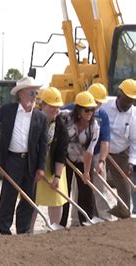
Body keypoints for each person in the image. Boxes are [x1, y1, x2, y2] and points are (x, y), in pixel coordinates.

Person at [0, 76, 47, 235]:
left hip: (31, 161)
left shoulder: (40, 117)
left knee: (29, 197)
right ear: (21, 94)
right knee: (8, 196)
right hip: (11, 160)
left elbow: (43, 143)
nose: (34, 96)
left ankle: (23, 229)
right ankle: (4, 229)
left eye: (35, 93)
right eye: (31, 93)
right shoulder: (8, 110)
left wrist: (41, 167)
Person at [64, 83, 111, 224]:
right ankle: (75, 220)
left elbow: (104, 142)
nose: (94, 109)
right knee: (73, 189)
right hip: (68, 156)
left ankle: (102, 218)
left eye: (96, 106)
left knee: (92, 187)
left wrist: (101, 161)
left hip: (91, 155)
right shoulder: (68, 113)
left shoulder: (100, 118)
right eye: (90, 106)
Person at [31, 87, 69, 231]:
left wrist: (57, 176)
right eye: (52, 106)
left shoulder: (61, 126)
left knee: (55, 199)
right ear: (43, 105)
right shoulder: (33, 121)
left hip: (53, 167)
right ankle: (28, 231)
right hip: (35, 166)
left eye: (57, 107)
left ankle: (54, 230)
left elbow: (61, 153)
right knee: (33, 198)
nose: (55, 110)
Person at [59, 91, 100, 226]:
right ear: (78, 110)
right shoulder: (65, 117)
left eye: (92, 110)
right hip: (65, 159)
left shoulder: (94, 127)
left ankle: (86, 221)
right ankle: (61, 222)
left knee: (86, 190)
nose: (90, 113)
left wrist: (86, 172)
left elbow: (89, 151)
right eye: (86, 110)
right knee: (64, 190)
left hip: (83, 160)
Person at [100, 78, 136, 219]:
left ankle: (123, 211)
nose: (128, 103)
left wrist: (132, 162)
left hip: (121, 152)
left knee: (123, 184)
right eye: (126, 99)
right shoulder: (105, 106)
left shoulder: (134, 115)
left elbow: (134, 141)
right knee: (98, 181)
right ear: (119, 94)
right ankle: (100, 214)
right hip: (102, 150)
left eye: (131, 100)